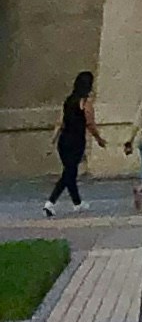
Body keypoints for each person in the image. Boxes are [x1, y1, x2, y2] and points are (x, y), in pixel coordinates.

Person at [45, 71, 101, 215]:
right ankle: (50, 203)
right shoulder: (85, 103)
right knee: (69, 174)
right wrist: (99, 139)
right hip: (76, 141)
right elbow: (90, 123)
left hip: (63, 141)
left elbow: (61, 122)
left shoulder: (68, 101)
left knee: (70, 172)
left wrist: (53, 140)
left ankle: (77, 203)